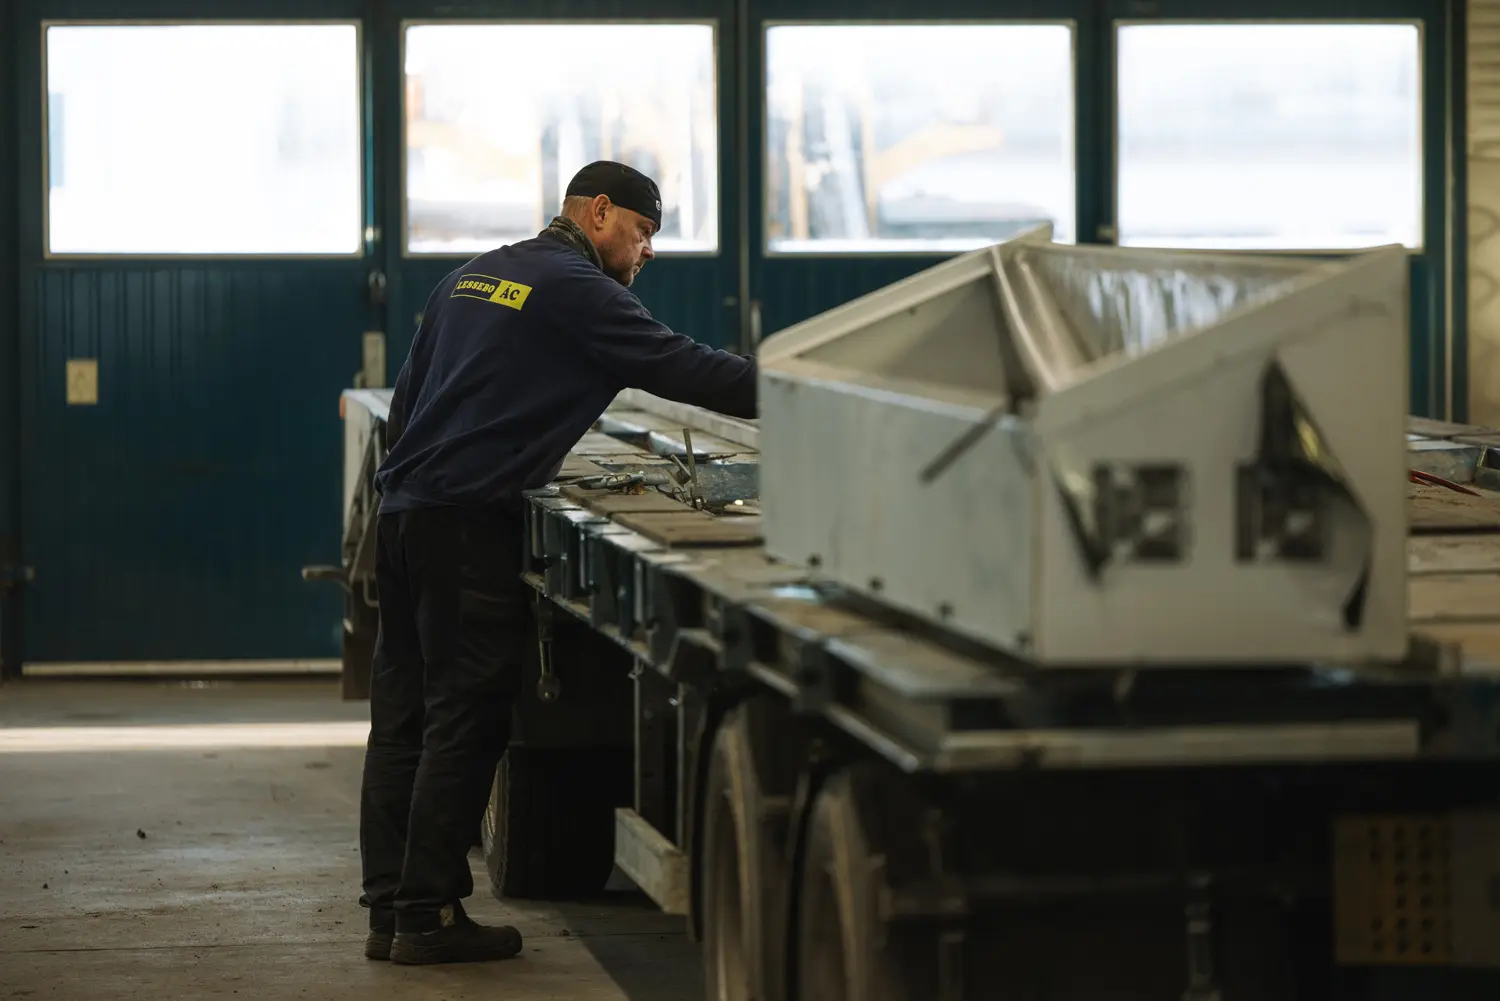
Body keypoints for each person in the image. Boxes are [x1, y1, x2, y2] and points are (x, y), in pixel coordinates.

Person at [357, 161, 757, 965]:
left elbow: (405, 405)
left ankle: (391, 911)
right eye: (644, 234)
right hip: (468, 525)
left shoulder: (469, 278)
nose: (646, 255)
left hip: (402, 515)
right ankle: (428, 915)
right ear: (600, 213)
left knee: (402, 718)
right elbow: (688, 368)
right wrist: (805, 389)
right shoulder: (583, 293)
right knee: (465, 717)